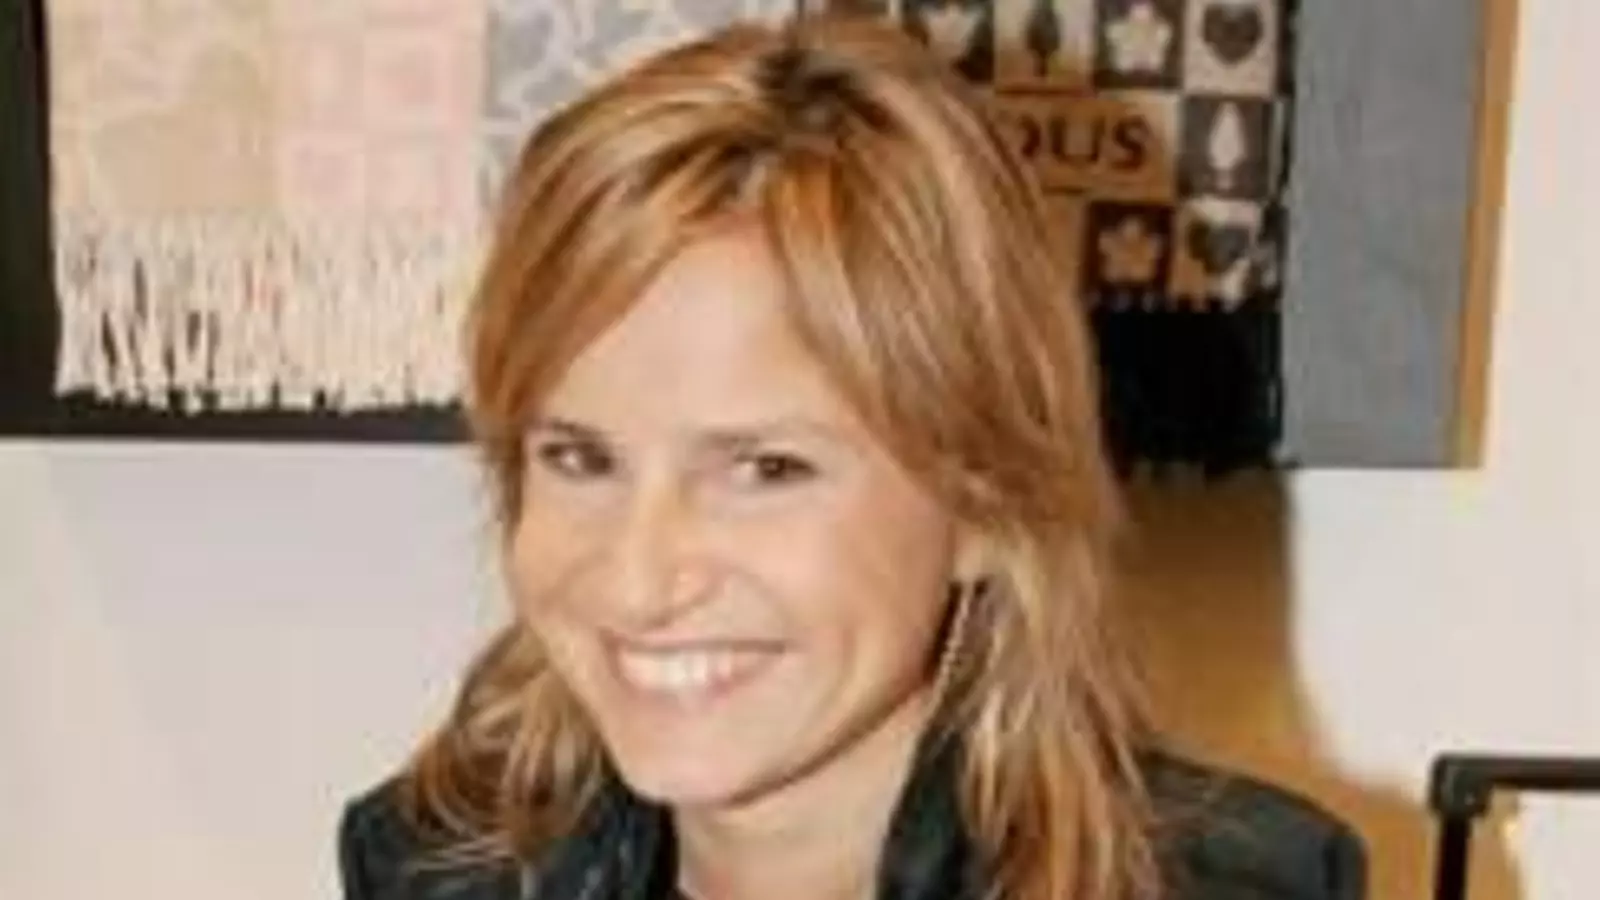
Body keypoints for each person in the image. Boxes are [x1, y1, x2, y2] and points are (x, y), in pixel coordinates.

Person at [338, 12, 1364, 900]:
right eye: (579, 458)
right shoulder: (441, 869)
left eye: (764, 470)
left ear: (986, 501)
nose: (637, 582)